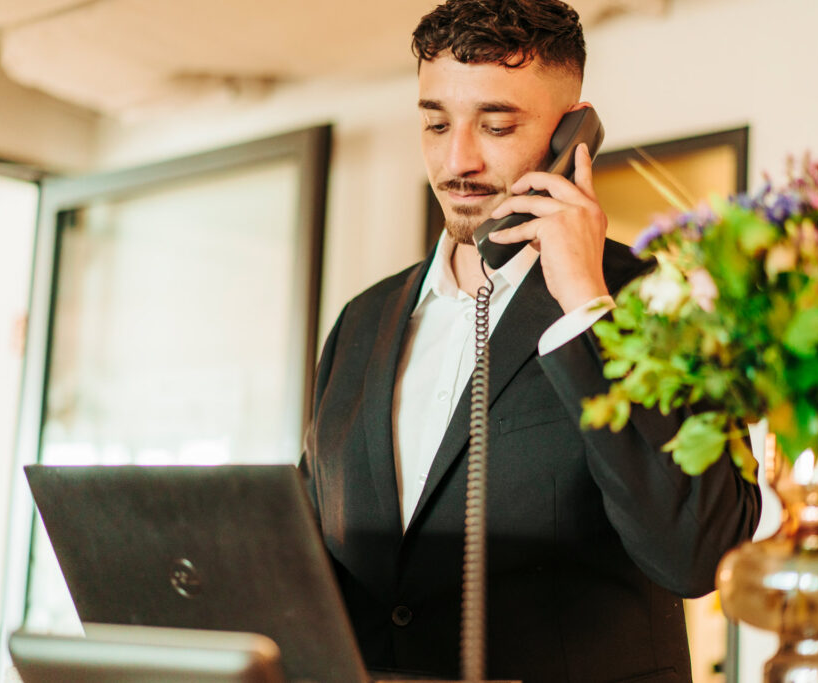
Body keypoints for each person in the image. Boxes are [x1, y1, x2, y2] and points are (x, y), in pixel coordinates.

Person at [301, 1, 761, 681]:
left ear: (572, 133)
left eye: (496, 124)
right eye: (435, 123)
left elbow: (695, 551)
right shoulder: (359, 325)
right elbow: (309, 563)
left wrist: (584, 300)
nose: (456, 160)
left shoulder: (662, 302)